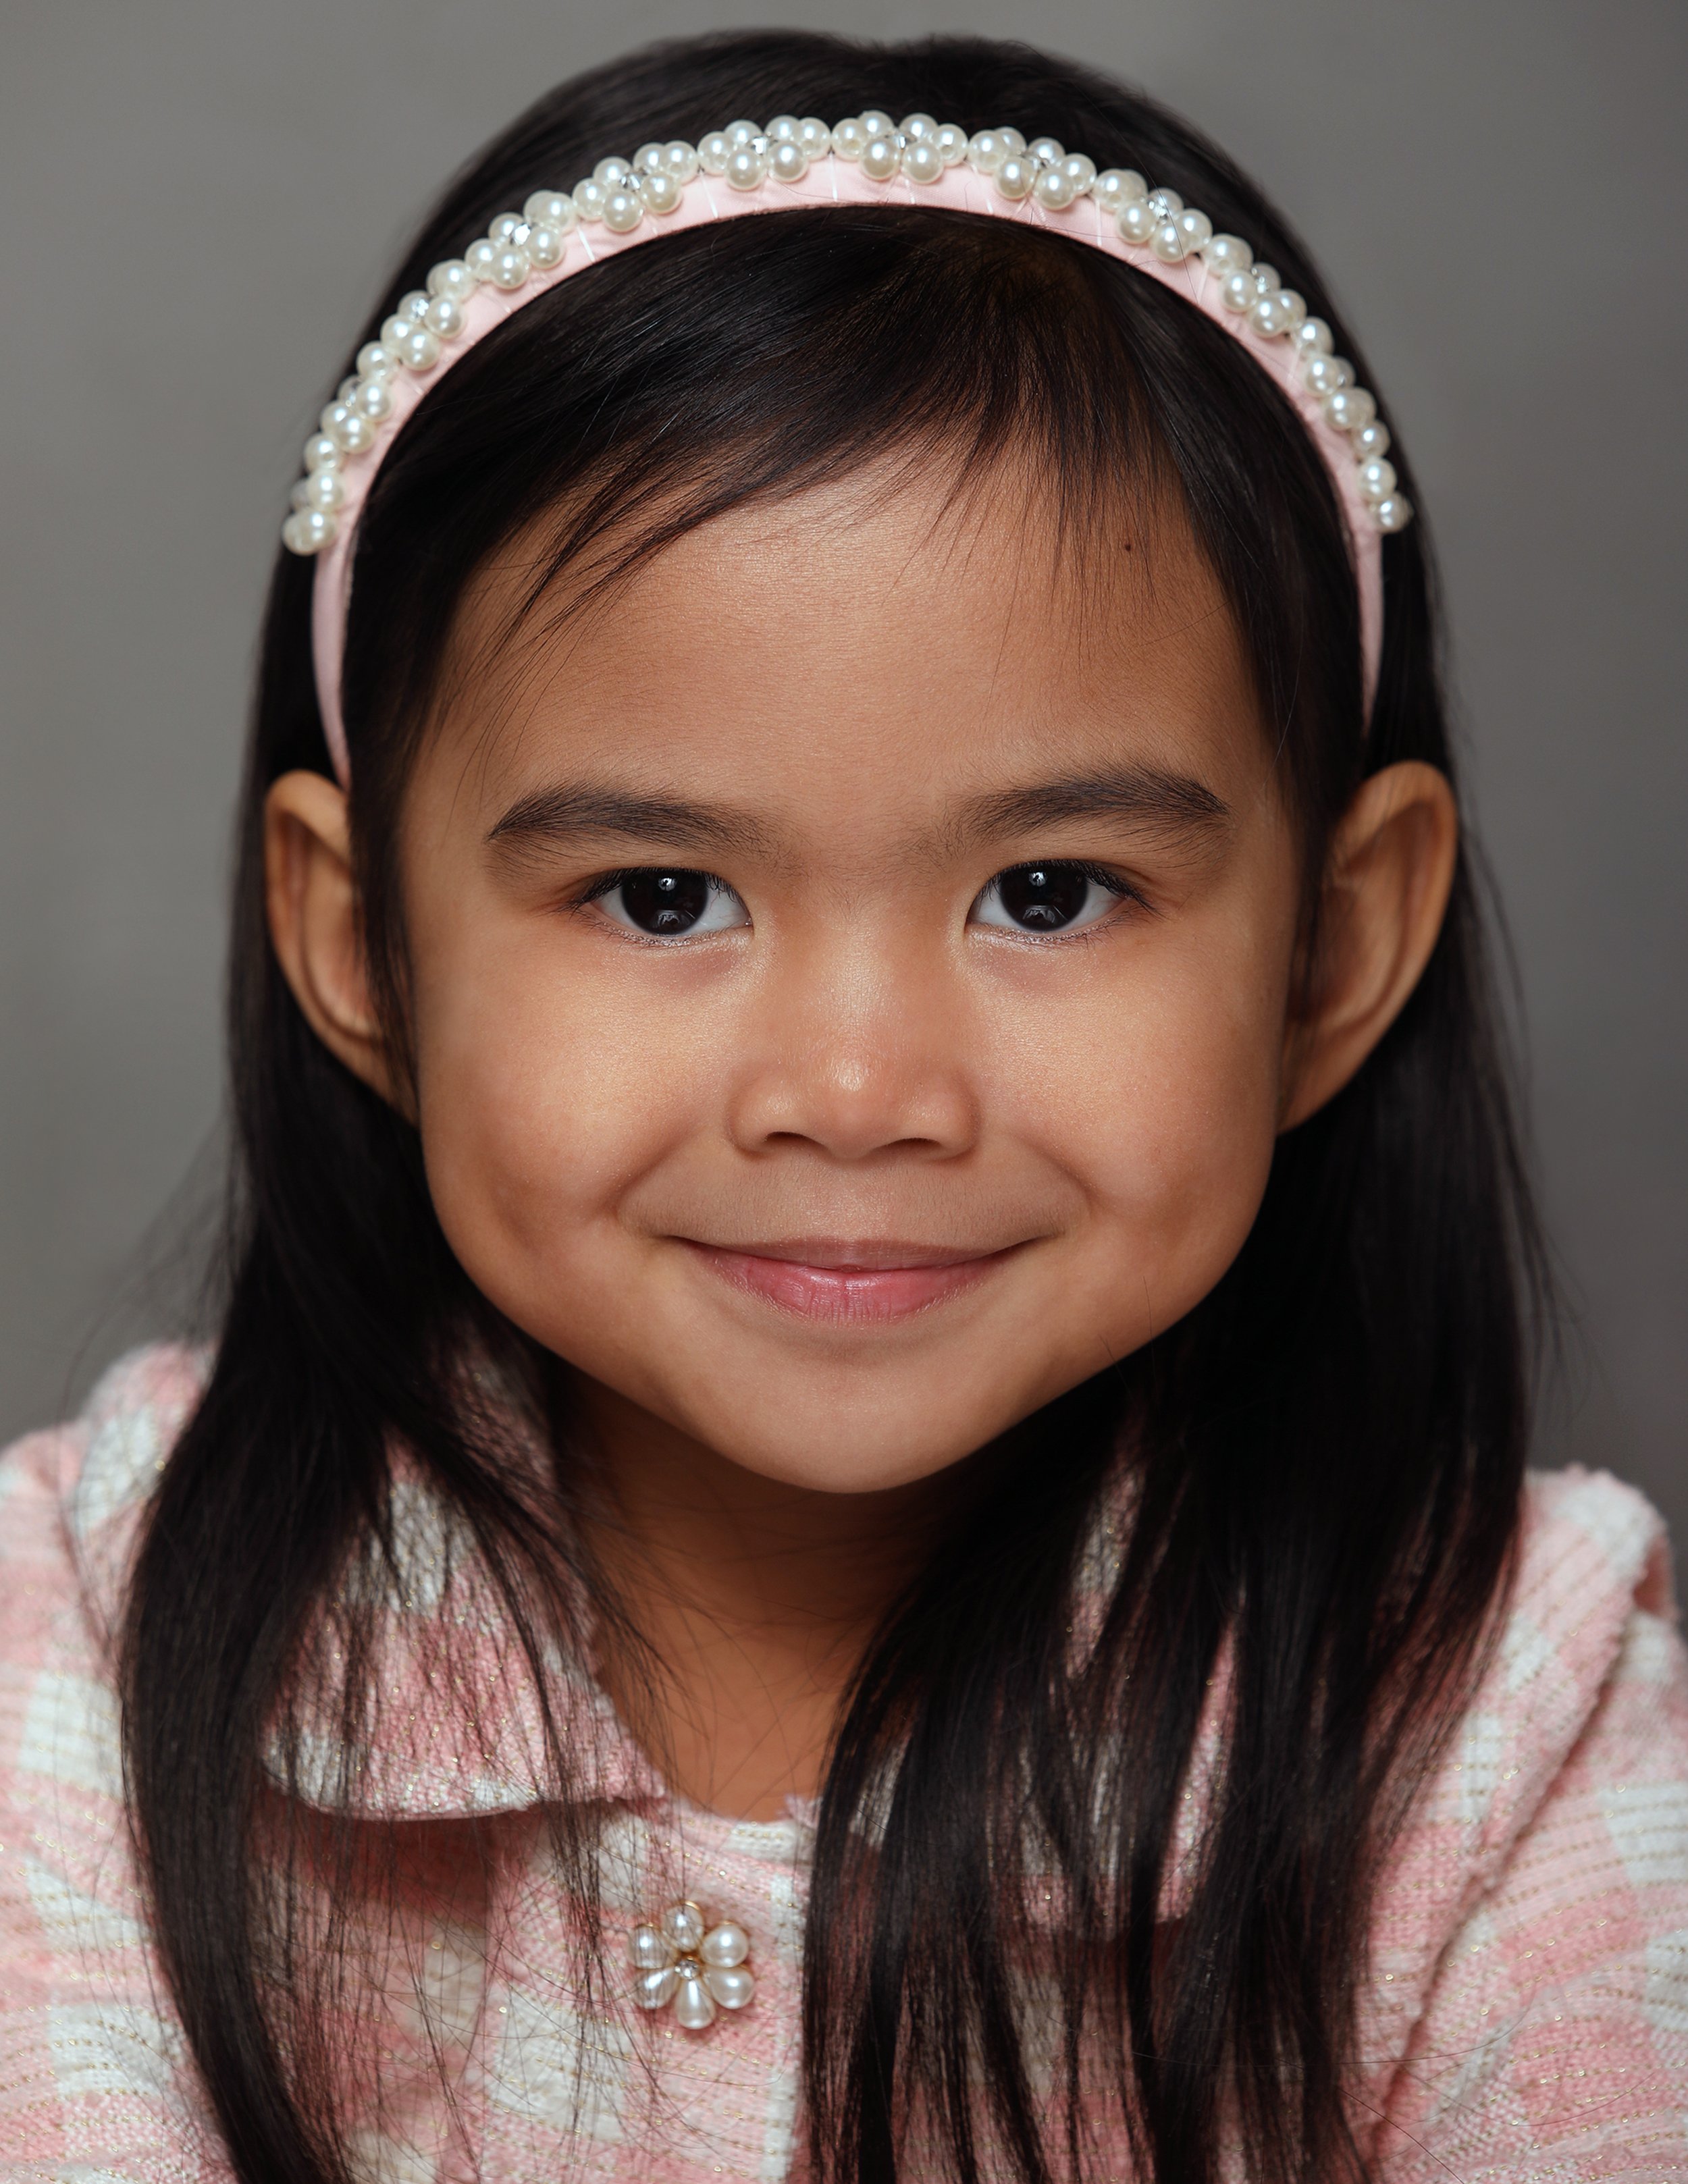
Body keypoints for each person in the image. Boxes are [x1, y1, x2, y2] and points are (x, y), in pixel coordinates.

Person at [3, 26, 1684, 2183]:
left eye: (1050, 891)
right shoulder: (93, 1635)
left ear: (1332, 951)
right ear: (365, 949)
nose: (858, 1090)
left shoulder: (1487, 1717)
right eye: (662, 892)